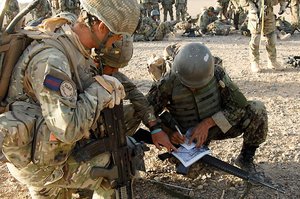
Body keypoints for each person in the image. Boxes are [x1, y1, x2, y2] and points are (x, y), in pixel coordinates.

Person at [0, 0, 174, 198]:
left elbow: (122, 85)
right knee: (117, 168)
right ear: (101, 27)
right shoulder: (52, 59)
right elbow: (67, 129)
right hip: (38, 164)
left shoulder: (72, 35)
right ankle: (52, 186)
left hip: (51, 151)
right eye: (115, 37)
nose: (112, 43)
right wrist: (99, 91)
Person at [146, 43, 268, 172]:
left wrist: (208, 123)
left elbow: (238, 105)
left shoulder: (217, 73)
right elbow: (147, 112)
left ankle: (246, 158)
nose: (194, 88)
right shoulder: (167, 83)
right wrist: (169, 133)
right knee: (192, 171)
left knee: (257, 109)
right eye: (189, 85)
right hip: (187, 137)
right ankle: (185, 156)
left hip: (217, 125)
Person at [241, 0, 283, 73]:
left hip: (269, 12)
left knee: (272, 38)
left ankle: (272, 60)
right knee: (255, 39)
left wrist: (283, 5)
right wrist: (250, 6)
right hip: (255, 13)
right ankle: (254, 62)